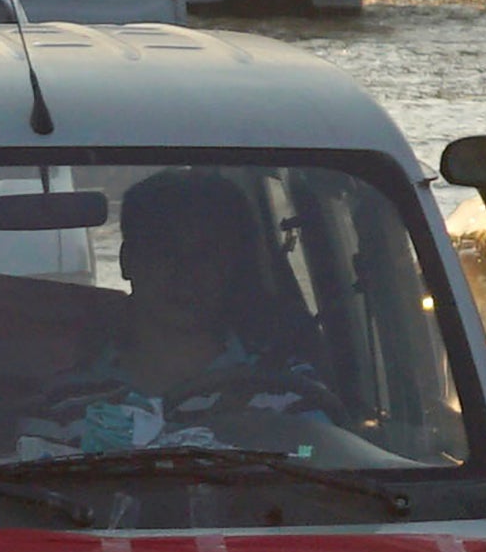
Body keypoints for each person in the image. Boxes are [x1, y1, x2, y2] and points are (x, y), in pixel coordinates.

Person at [29, 170, 348, 455]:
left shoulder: (288, 393)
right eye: (165, 251)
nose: (186, 272)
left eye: (205, 254)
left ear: (230, 266)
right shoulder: (62, 406)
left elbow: (321, 469)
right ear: (129, 260)